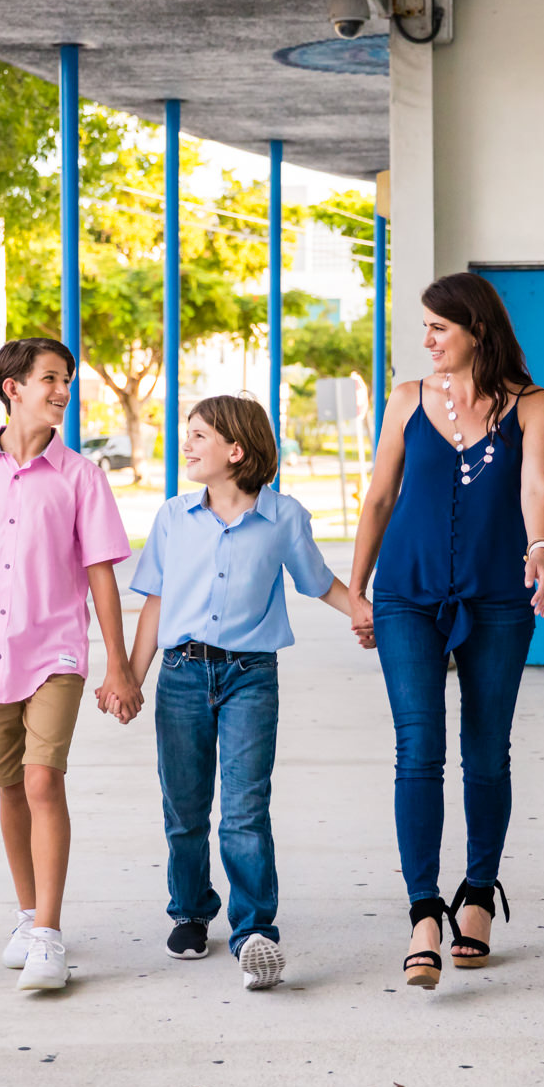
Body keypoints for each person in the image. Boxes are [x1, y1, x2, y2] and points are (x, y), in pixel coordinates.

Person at [349, 272, 544, 989]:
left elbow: (537, 484)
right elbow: (378, 496)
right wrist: (355, 590)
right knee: (419, 748)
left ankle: (477, 893)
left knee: (486, 753)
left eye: (440, 326)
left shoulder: (532, 405)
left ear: (477, 328)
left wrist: (540, 548)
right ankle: (423, 914)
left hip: (500, 594)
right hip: (408, 592)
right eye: (426, 327)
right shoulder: (406, 399)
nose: (428, 339)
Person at [117, 395, 358, 991]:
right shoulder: (173, 516)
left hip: (251, 675)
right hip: (180, 674)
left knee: (245, 810)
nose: (187, 444)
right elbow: (155, 601)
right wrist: (129, 675)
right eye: (187, 433)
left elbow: (316, 581)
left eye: (199, 435)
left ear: (236, 450)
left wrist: (364, 611)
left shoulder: (284, 516)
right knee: (184, 807)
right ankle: (193, 911)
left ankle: (255, 931)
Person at [0, 336, 132, 992]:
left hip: (57, 650)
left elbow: (102, 572)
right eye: (50, 379)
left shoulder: (82, 475)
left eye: (67, 380)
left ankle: (49, 935)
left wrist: (119, 664)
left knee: (41, 781)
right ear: (12, 387)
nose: (62, 390)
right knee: (7, 787)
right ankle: (27, 916)